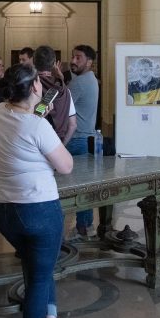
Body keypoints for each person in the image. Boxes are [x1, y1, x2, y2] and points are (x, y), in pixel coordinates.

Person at [0, 63, 73, 318]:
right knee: (38, 277)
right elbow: (66, 166)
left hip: (6, 212)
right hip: (39, 209)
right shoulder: (38, 127)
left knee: (39, 266)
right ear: (36, 87)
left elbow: (17, 131)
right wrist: (43, 125)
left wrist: (37, 117)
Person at [67, 44, 99, 236]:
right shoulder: (90, 78)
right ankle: (85, 225)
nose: (73, 61)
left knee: (72, 186)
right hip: (86, 138)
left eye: (78, 57)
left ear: (89, 62)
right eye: (73, 56)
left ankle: (81, 227)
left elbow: (60, 105)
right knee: (84, 184)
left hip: (76, 139)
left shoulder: (79, 83)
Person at [34, 45, 77, 147]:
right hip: (56, 144)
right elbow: (73, 125)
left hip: (35, 143)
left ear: (33, 63)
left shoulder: (30, 86)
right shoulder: (65, 90)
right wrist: (61, 146)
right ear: (54, 64)